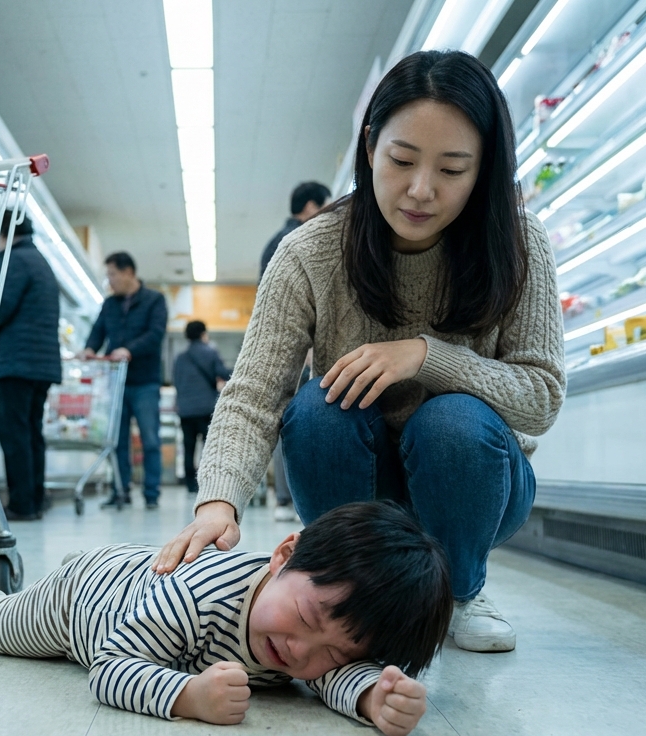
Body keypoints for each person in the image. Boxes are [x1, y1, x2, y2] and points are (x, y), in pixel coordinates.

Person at [153, 50, 566, 654]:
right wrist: (218, 503)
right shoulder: (310, 252)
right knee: (318, 409)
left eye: (453, 170)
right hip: (358, 478)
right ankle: (349, 589)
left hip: (476, 482)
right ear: (370, 146)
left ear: (484, 171)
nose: (420, 191)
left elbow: (541, 399)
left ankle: (459, 593)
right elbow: (253, 395)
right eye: (401, 160)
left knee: (451, 419)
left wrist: (428, 357)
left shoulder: (520, 244)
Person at [0, 500, 451, 736]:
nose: (304, 652)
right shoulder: (201, 596)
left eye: (338, 653)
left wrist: (371, 696)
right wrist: (188, 696)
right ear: (284, 554)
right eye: (306, 617)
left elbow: (336, 669)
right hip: (82, 602)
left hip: (140, 593)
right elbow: (109, 667)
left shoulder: (314, 634)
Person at [0, 211, 62, 520]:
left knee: (14, 434)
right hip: (40, 364)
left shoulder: (13, 260)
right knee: (31, 433)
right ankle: (35, 500)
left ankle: (22, 504)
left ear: (1, 231)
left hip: (18, 362)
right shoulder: (38, 259)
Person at [261, 182, 331, 521]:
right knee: (297, 418)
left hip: (287, 345)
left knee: (286, 418)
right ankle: (288, 500)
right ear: (310, 206)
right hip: (302, 350)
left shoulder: (272, 243)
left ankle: (284, 499)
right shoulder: (300, 241)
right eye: (325, 206)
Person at [80, 252, 169, 509]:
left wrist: (129, 350)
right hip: (115, 383)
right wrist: (89, 349)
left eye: (112, 274)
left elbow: (155, 335)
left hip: (145, 382)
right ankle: (121, 491)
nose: (110, 281)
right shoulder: (110, 304)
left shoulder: (154, 300)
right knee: (116, 441)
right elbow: (98, 332)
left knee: (150, 438)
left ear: (128, 272)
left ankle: (151, 494)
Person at [171, 320, 231, 494]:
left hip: (186, 410)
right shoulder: (210, 352)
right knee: (208, 447)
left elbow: (177, 382)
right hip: (206, 409)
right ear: (203, 334)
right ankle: (206, 481)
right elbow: (223, 373)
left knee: (188, 447)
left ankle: (190, 484)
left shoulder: (180, 358)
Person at [260, 180, 331, 279]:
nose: (329, 215)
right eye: (326, 208)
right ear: (310, 207)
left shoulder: (282, 237)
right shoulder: (302, 239)